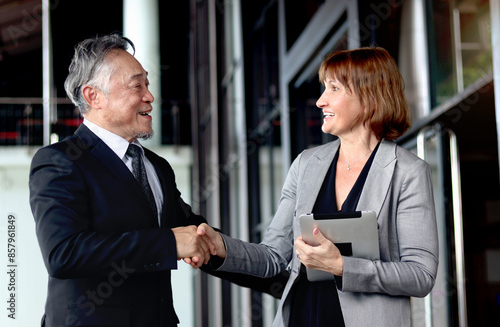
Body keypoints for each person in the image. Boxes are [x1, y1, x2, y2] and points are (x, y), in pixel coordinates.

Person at [199, 47, 439, 326]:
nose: (321, 101)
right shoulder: (306, 164)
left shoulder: (407, 172)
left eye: (334, 88)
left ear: (370, 96)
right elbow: (274, 256)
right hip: (302, 316)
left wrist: (342, 267)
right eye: (324, 88)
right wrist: (222, 246)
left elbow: (420, 275)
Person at [29, 33, 217, 327]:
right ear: (93, 96)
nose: (149, 96)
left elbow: (194, 233)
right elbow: (63, 254)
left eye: (148, 84)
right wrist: (167, 243)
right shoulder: (60, 161)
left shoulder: (157, 166)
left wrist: (281, 270)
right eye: (136, 85)